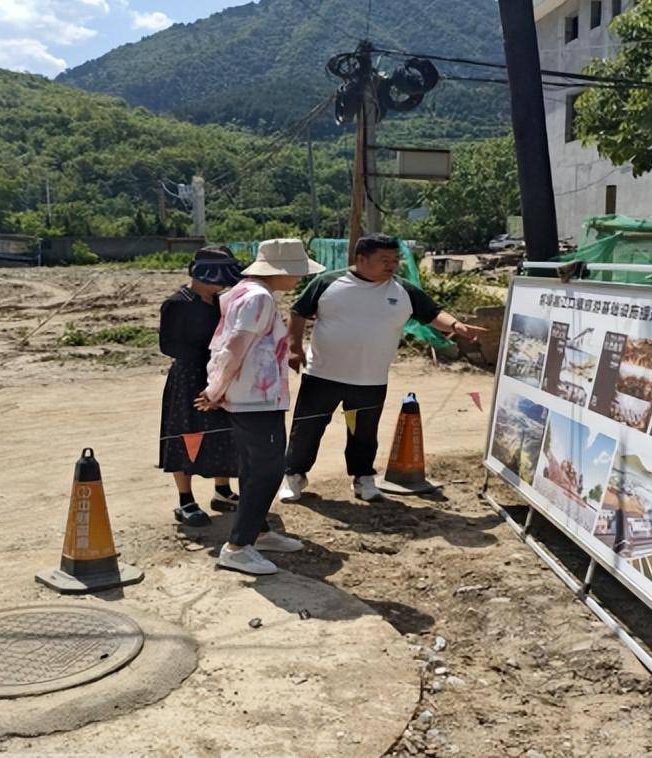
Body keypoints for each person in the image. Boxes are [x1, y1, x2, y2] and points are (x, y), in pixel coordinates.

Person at [280, 233, 485, 502]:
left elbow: (433, 314)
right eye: (384, 260)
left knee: (364, 433)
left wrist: (456, 325)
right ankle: (294, 476)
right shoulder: (328, 282)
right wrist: (294, 347)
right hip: (322, 374)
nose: (392, 265)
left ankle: (363, 478)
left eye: (395, 260)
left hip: (370, 379)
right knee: (307, 429)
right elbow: (298, 311)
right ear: (361, 259)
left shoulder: (403, 290)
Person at [196, 238, 325, 576]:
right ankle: (238, 546)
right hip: (255, 397)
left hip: (250, 395)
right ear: (279, 272)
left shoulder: (243, 291)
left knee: (253, 467)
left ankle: (260, 531)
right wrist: (214, 389)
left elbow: (227, 345)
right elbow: (234, 348)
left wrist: (218, 388)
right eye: (296, 272)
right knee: (266, 471)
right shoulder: (258, 298)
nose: (299, 279)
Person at [158, 247, 244, 526]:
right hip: (189, 378)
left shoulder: (222, 302)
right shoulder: (177, 303)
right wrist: (210, 355)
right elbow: (168, 345)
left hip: (217, 374)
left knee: (224, 432)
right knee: (187, 435)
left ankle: (222, 490)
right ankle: (186, 500)